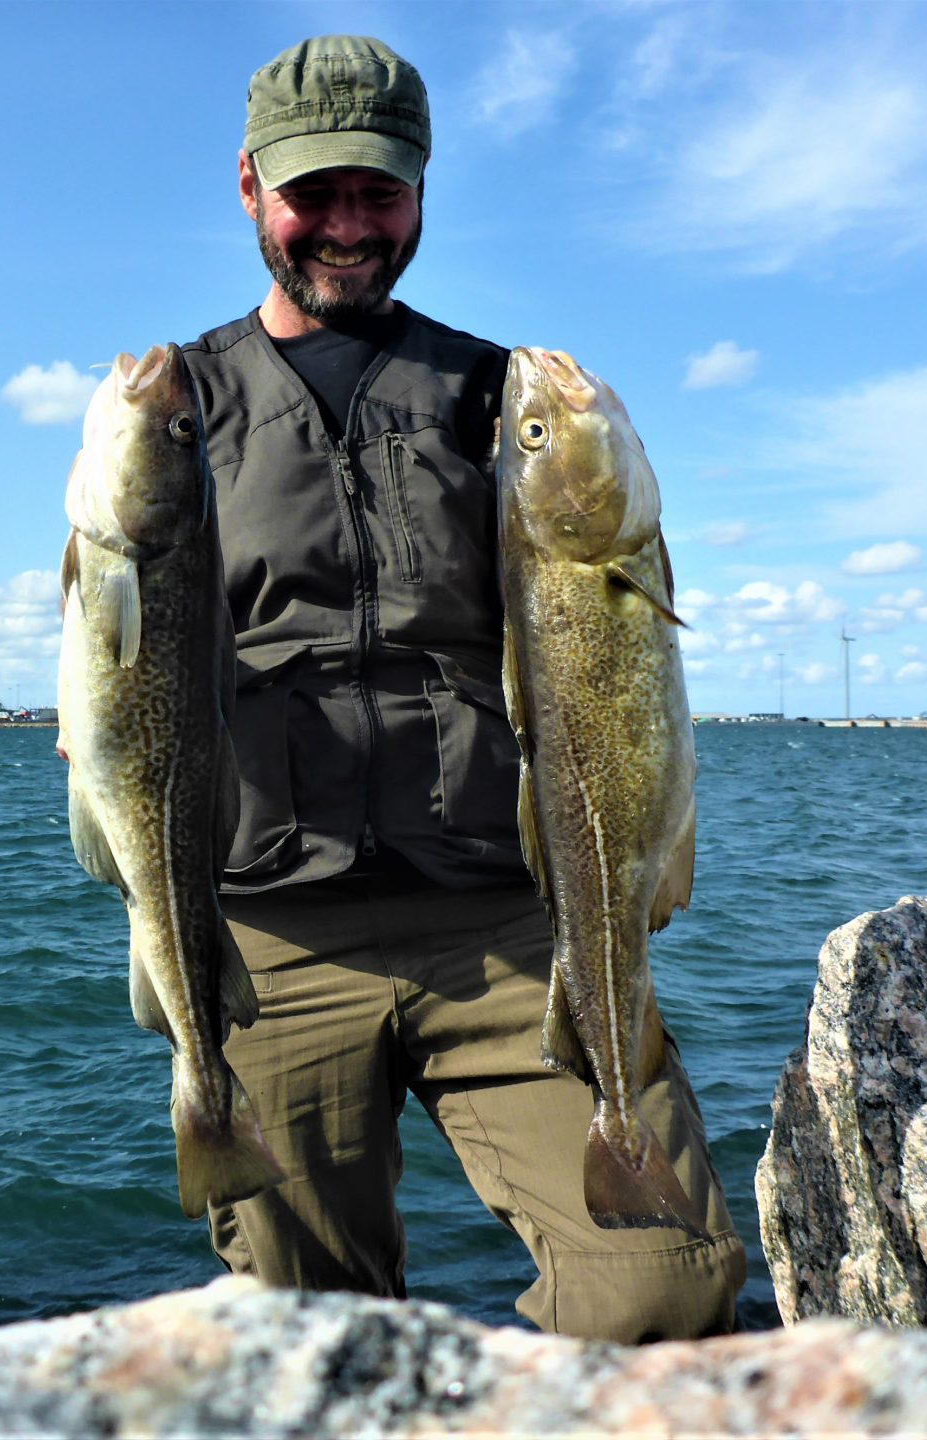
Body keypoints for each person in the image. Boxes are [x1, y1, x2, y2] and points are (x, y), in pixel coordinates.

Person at [175, 35, 746, 1342]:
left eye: (378, 193)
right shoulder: (180, 406)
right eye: (315, 195)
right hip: (273, 941)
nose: (347, 226)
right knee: (308, 1339)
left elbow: (599, 653)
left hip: (513, 928)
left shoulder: (500, 397)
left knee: (661, 1292)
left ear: (421, 193)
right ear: (252, 187)